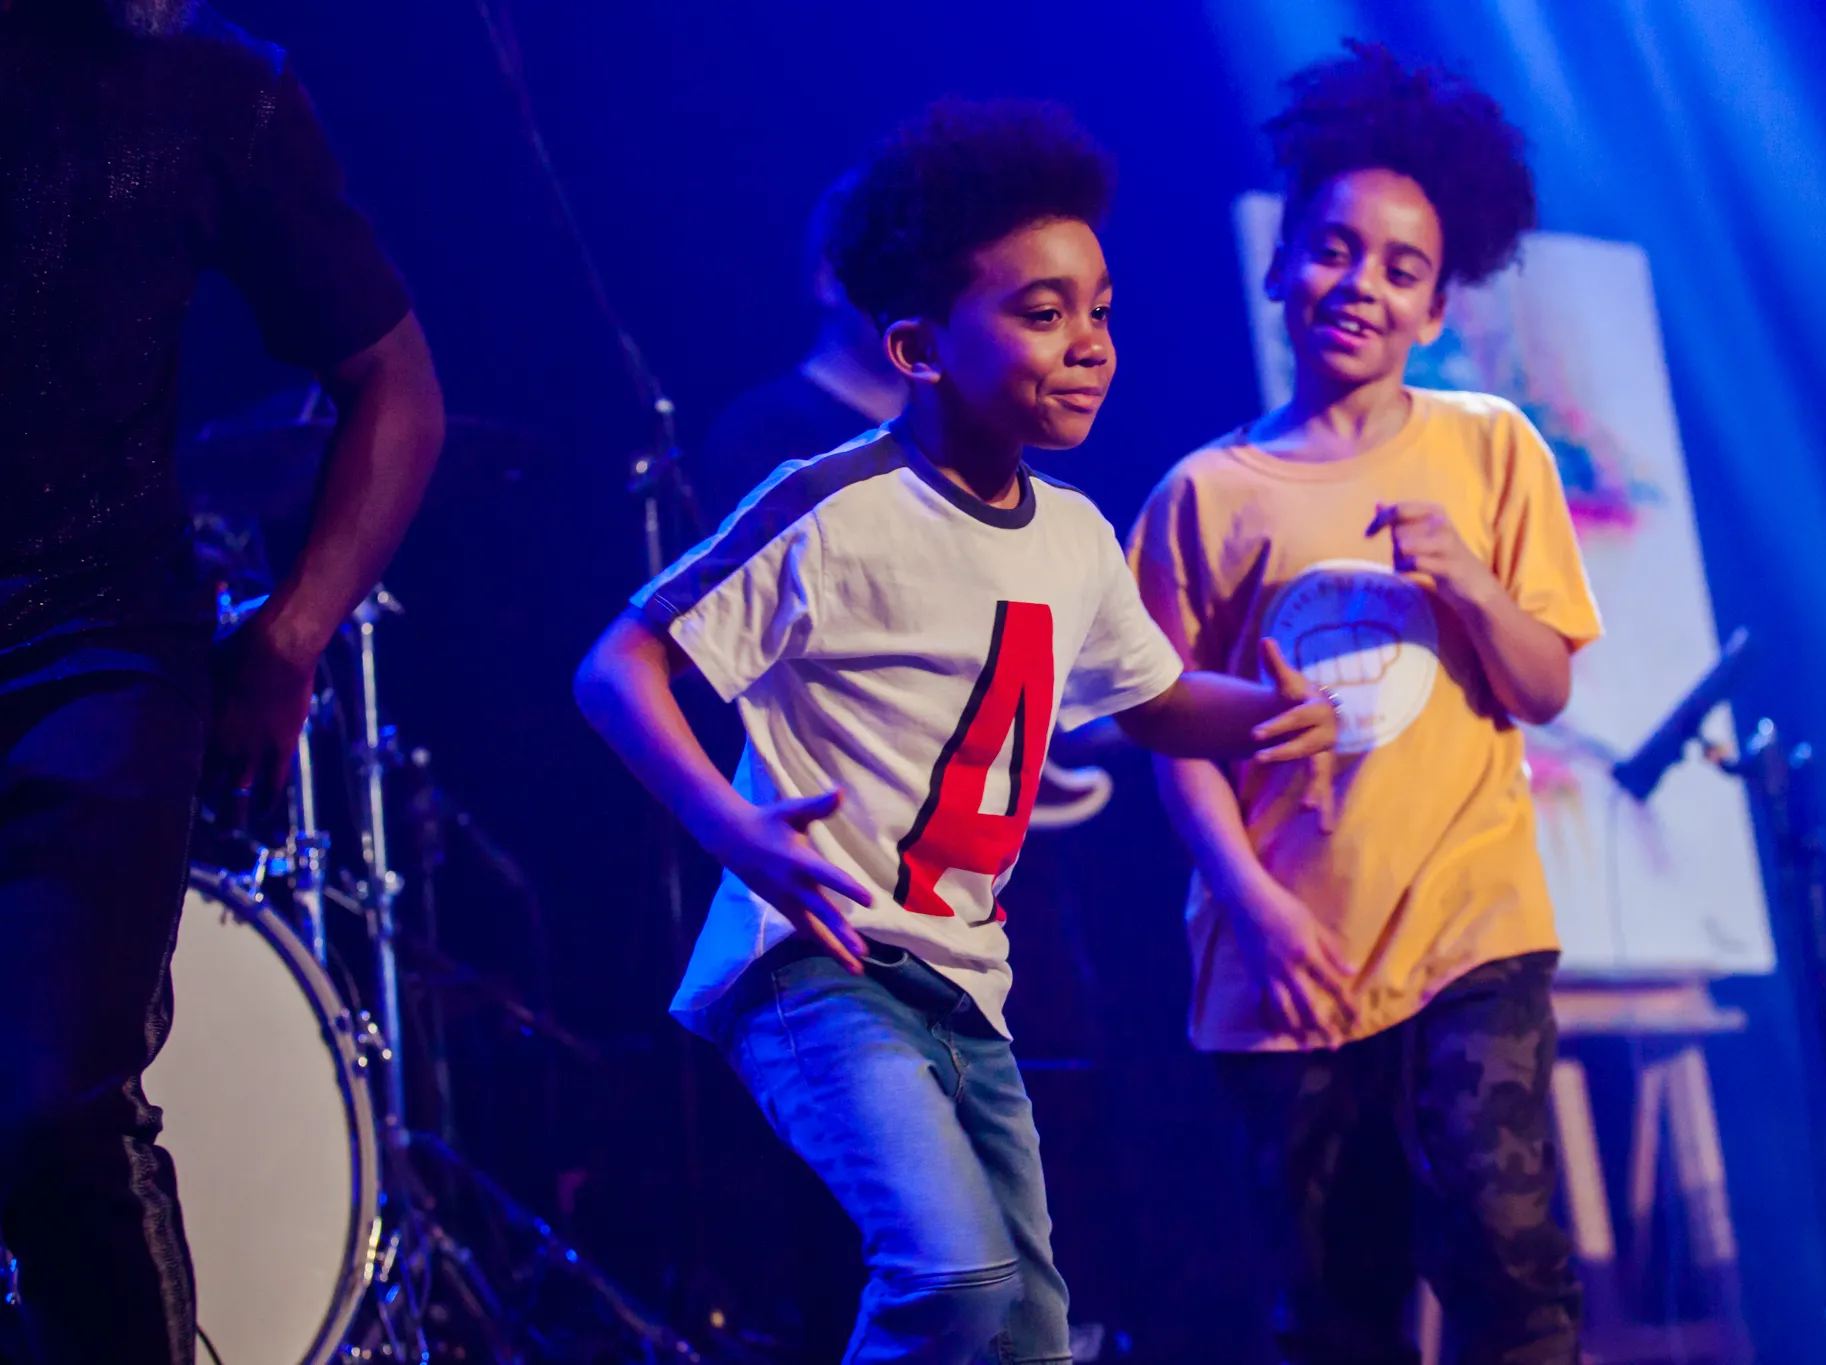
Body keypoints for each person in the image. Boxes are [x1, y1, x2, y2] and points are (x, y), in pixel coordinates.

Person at [576, 98, 1339, 1365]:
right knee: (953, 1278)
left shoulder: (1073, 537)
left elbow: (1152, 702)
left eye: (1098, 309)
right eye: (1041, 315)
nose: (1089, 343)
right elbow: (617, 668)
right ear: (921, 348)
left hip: (964, 985)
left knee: (1034, 1334)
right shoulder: (830, 502)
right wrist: (736, 826)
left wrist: (1274, 713)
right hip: (816, 960)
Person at [1128, 42, 1599, 1365]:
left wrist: (1468, 582)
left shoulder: (1491, 448)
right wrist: (1260, 908)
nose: (1362, 287)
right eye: (1335, 250)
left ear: (1437, 306)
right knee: (1340, 1307)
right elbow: (1169, 735)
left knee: (1506, 1249)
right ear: (1282, 262)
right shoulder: (1199, 499)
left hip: (1472, 924)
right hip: (1292, 957)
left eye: (1401, 269)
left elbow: (1545, 684)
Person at [0, 2, 444, 1362]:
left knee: (51, 1106)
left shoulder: (212, 92)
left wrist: (293, 632)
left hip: (89, 645)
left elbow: (397, 393)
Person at [690, 174, 908, 528]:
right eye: (893, 268)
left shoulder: (950, 426)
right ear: (828, 281)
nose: (916, 289)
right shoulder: (763, 431)